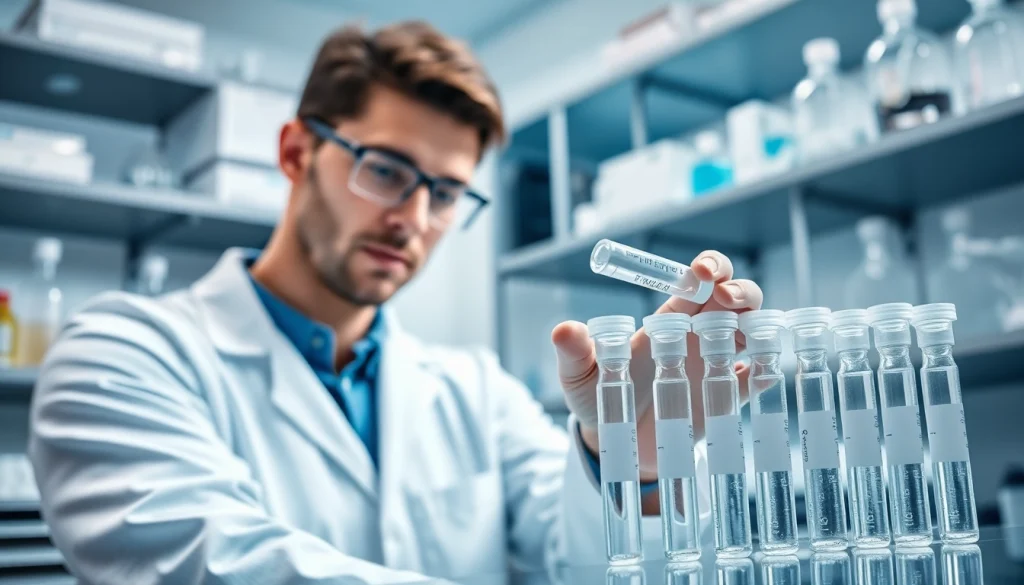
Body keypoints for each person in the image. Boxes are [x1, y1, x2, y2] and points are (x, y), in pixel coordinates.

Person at [28, 21, 763, 585]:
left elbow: (589, 559)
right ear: (294, 154)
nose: (413, 217)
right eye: (386, 170)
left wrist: (627, 463)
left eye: (445, 193)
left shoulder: (476, 391)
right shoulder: (119, 355)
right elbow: (216, 564)